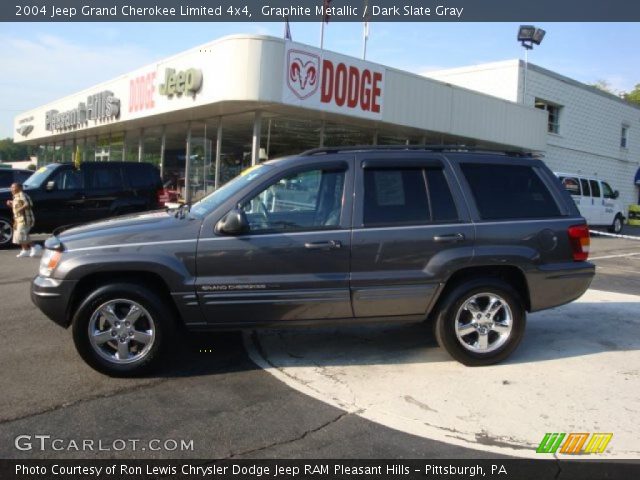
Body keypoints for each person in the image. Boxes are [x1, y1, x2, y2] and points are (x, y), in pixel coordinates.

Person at [6, 183, 41, 258]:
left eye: (13, 187)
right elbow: (18, 206)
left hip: (25, 219)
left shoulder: (22, 194)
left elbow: (28, 204)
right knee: (18, 236)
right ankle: (25, 250)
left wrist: (19, 209)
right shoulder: (16, 197)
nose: (12, 189)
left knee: (21, 235)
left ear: (20, 188)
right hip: (18, 220)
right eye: (11, 187)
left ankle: (35, 246)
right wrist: (11, 204)